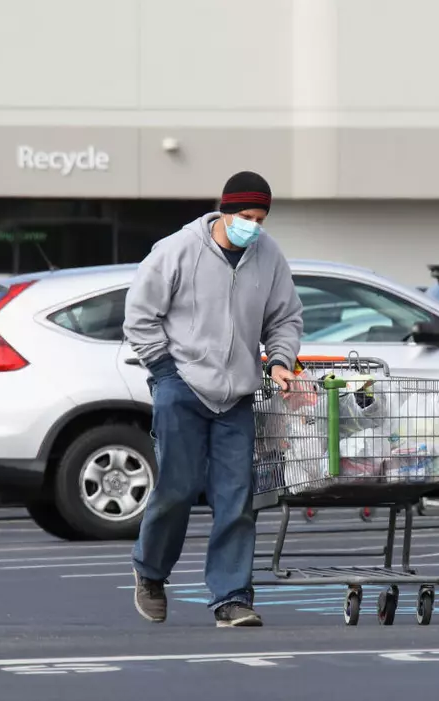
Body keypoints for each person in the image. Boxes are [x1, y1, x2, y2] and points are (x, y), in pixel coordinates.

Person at [123, 171, 303, 627]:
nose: (254, 226)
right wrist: (164, 371)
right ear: (224, 211)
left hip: (236, 396)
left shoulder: (269, 256)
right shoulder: (177, 250)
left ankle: (232, 597)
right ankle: (150, 571)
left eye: (261, 217)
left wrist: (279, 360)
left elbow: (285, 318)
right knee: (177, 490)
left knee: (237, 499)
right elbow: (140, 316)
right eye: (246, 216)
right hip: (180, 386)